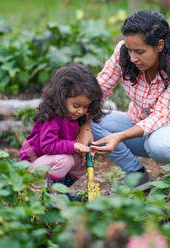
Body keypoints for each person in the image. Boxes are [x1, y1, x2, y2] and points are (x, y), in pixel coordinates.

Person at [77, 10, 170, 190]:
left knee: (159, 144)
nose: (132, 58)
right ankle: (136, 174)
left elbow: (161, 116)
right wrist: (85, 126)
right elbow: (99, 89)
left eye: (139, 51)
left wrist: (120, 136)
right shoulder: (123, 54)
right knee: (94, 120)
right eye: (129, 50)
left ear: (160, 45)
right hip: (143, 128)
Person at [19, 63, 105, 201]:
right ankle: (54, 196)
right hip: (31, 166)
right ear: (61, 97)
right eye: (76, 106)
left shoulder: (76, 116)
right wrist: (73, 146)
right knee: (64, 160)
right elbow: (48, 146)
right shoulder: (51, 117)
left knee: (83, 160)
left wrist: (81, 150)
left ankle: (59, 191)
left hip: (50, 162)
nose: (81, 111)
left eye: (85, 107)